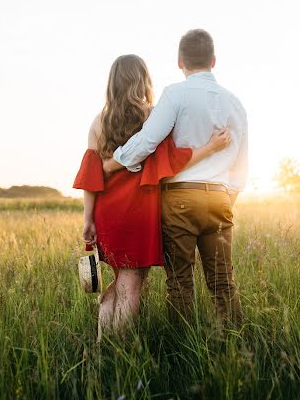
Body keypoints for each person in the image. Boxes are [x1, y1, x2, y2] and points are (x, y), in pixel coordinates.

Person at [73, 54, 231, 337]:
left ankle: (102, 345)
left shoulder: (99, 122)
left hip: (107, 213)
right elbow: (173, 159)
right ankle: (117, 352)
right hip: (138, 212)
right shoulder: (151, 115)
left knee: (121, 279)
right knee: (132, 284)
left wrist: (88, 218)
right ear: (143, 80)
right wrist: (210, 147)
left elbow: (91, 175)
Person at [103, 30, 248, 328]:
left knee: (180, 281)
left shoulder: (175, 95)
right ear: (214, 60)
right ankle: (235, 345)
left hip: (180, 198)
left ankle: (182, 350)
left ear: (180, 61)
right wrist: (227, 197)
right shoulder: (235, 103)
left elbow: (147, 142)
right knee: (223, 281)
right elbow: (241, 165)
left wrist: (115, 161)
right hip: (219, 197)